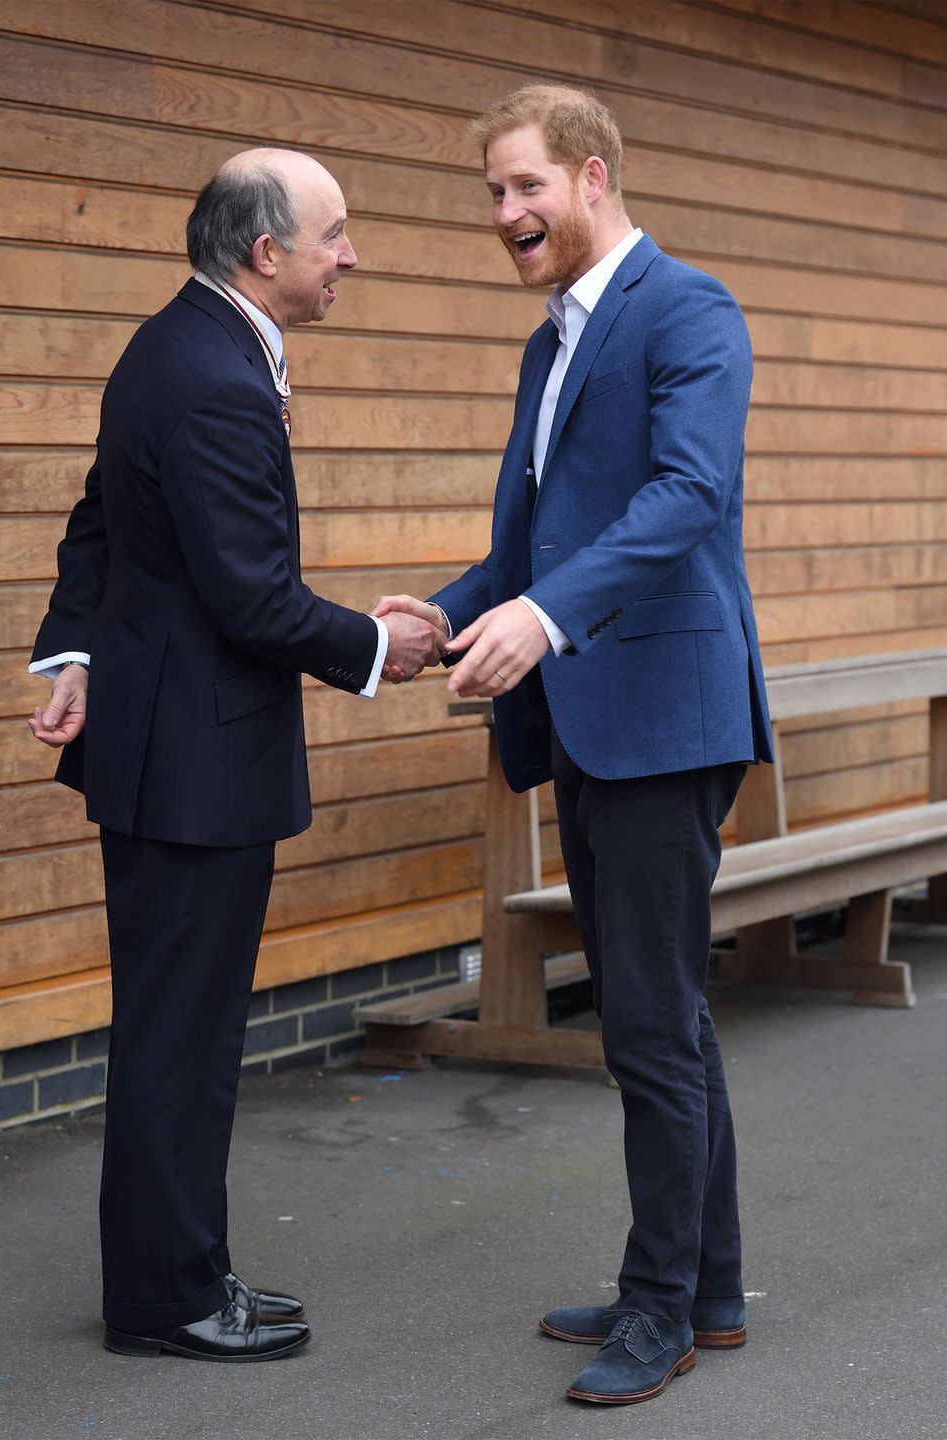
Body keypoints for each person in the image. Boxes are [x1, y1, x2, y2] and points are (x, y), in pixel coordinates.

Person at [375, 85, 773, 1407]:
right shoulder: (553, 346)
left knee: (649, 1027)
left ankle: (658, 1307)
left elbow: (687, 496)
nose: (505, 215)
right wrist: (446, 610)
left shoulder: (689, 310)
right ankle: (700, 1285)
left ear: (592, 177)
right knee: (662, 1025)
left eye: (523, 187)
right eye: (492, 192)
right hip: (595, 721)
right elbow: (532, 545)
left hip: (663, 720)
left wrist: (542, 618)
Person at [27, 148, 445, 1362]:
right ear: (268, 253)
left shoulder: (176, 346)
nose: (349, 257)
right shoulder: (212, 375)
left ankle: (187, 1271)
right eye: (336, 236)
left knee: (185, 1033)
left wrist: (74, 659)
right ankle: (166, 1300)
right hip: (195, 771)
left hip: (168, 754)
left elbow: (103, 524)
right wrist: (380, 645)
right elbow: (253, 600)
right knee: (183, 1042)